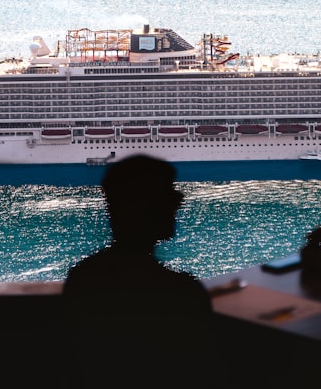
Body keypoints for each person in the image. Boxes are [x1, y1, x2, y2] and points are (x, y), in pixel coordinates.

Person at [62, 154, 212, 385]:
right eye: (169, 194)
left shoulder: (83, 276)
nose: (179, 200)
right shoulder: (180, 293)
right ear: (144, 208)